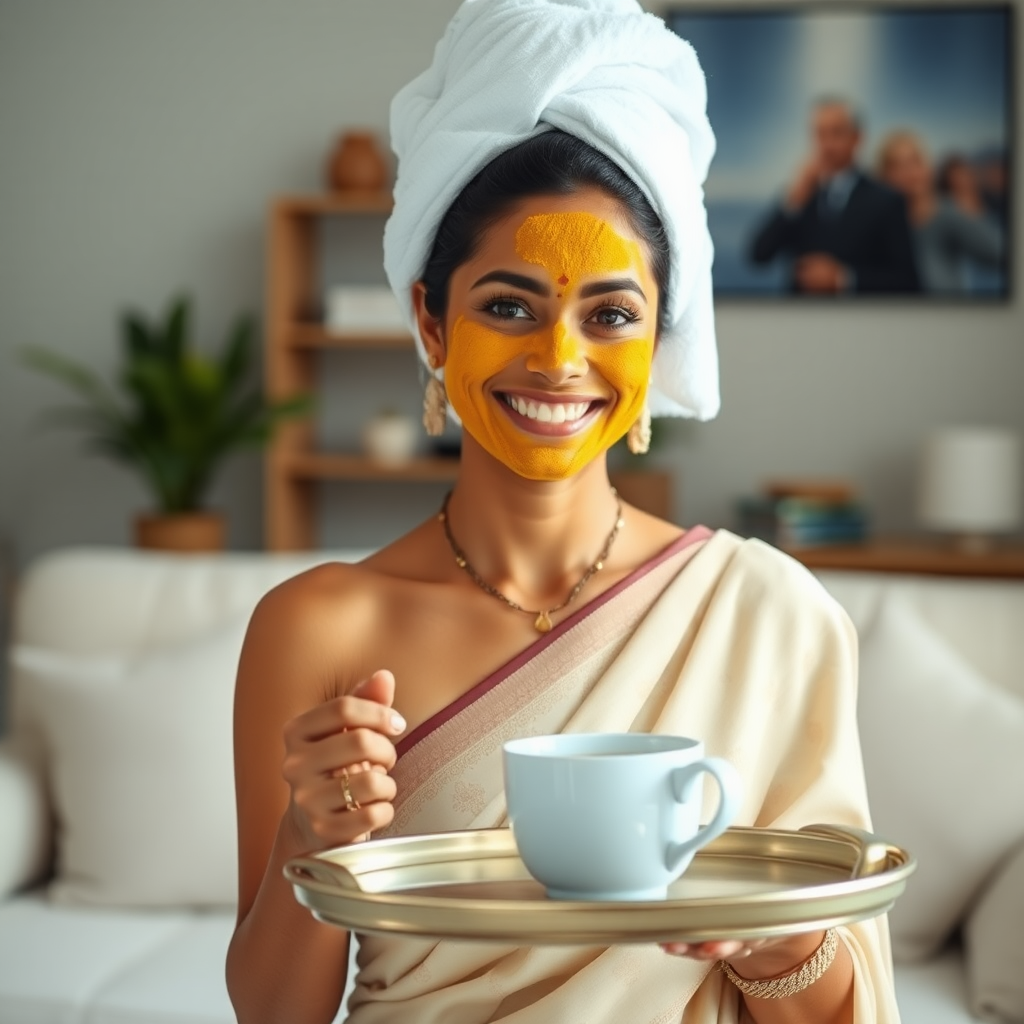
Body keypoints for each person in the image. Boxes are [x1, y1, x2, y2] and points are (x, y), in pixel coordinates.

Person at [225, 2, 900, 1022]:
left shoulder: (771, 614)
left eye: (610, 315)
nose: (558, 359)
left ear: (656, 340)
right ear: (429, 319)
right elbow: (272, 1013)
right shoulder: (316, 625)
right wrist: (307, 844)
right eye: (507, 305)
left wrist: (775, 938)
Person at [749, 97, 920, 295]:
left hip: (861, 320)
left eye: (836, 133)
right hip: (800, 320)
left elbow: (907, 280)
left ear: (857, 137)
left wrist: (844, 279)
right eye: (820, 134)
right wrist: (792, 202)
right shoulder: (800, 195)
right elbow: (759, 255)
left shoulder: (886, 200)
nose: (827, 144)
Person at [877, 131, 1003, 294]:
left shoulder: (948, 214)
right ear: (883, 175)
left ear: (927, 167)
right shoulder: (880, 225)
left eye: (915, 162)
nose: (908, 172)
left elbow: (1000, 251)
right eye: (897, 166)